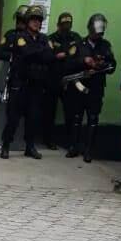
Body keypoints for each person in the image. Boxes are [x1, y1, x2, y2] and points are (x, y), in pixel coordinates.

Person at [0, 5, 54, 160]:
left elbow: (50, 56)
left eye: (39, 20)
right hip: (20, 83)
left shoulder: (44, 38)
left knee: (33, 117)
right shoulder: (19, 37)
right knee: (13, 117)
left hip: (36, 85)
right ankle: (6, 146)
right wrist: (39, 52)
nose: (37, 23)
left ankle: (30, 147)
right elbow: (26, 52)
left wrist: (37, 52)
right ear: (28, 21)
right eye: (34, 20)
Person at [66, 13, 117, 163]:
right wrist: (84, 61)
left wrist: (103, 65)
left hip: (96, 87)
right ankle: (73, 147)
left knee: (93, 119)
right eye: (96, 30)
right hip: (80, 86)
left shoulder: (105, 45)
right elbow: (68, 65)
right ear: (90, 29)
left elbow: (113, 66)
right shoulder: (78, 45)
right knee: (76, 117)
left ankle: (88, 151)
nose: (98, 34)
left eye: (100, 31)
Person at [44, 12, 82, 150]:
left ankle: (70, 142)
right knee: (50, 111)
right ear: (58, 25)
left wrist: (63, 56)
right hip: (53, 79)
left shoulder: (76, 37)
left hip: (70, 79)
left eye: (68, 24)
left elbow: (79, 55)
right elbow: (48, 56)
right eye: (63, 24)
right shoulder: (51, 38)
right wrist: (57, 56)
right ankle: (48, 139)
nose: (66, 27)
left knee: (70, 111)